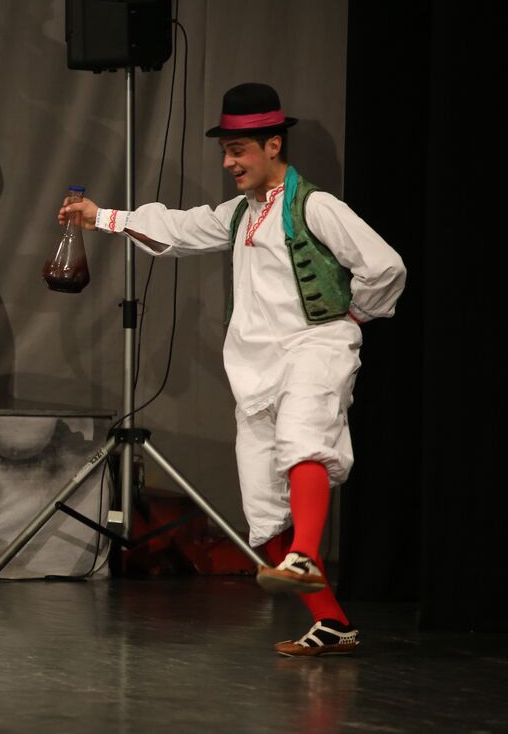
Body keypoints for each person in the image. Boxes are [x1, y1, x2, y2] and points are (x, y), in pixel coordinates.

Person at [60, 83, 406, 656]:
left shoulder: (314, 206)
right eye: (225, 151)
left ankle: (306, 555)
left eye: (238, 150)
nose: (228, 163)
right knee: (263, 511)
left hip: (315, 345)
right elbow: (178, 230)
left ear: (273, 145)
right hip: (256, 365)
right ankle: (332, 623)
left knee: (304, 439)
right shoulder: (238, 214)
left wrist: (354, 313)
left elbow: (385, 266)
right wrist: (102, 218)